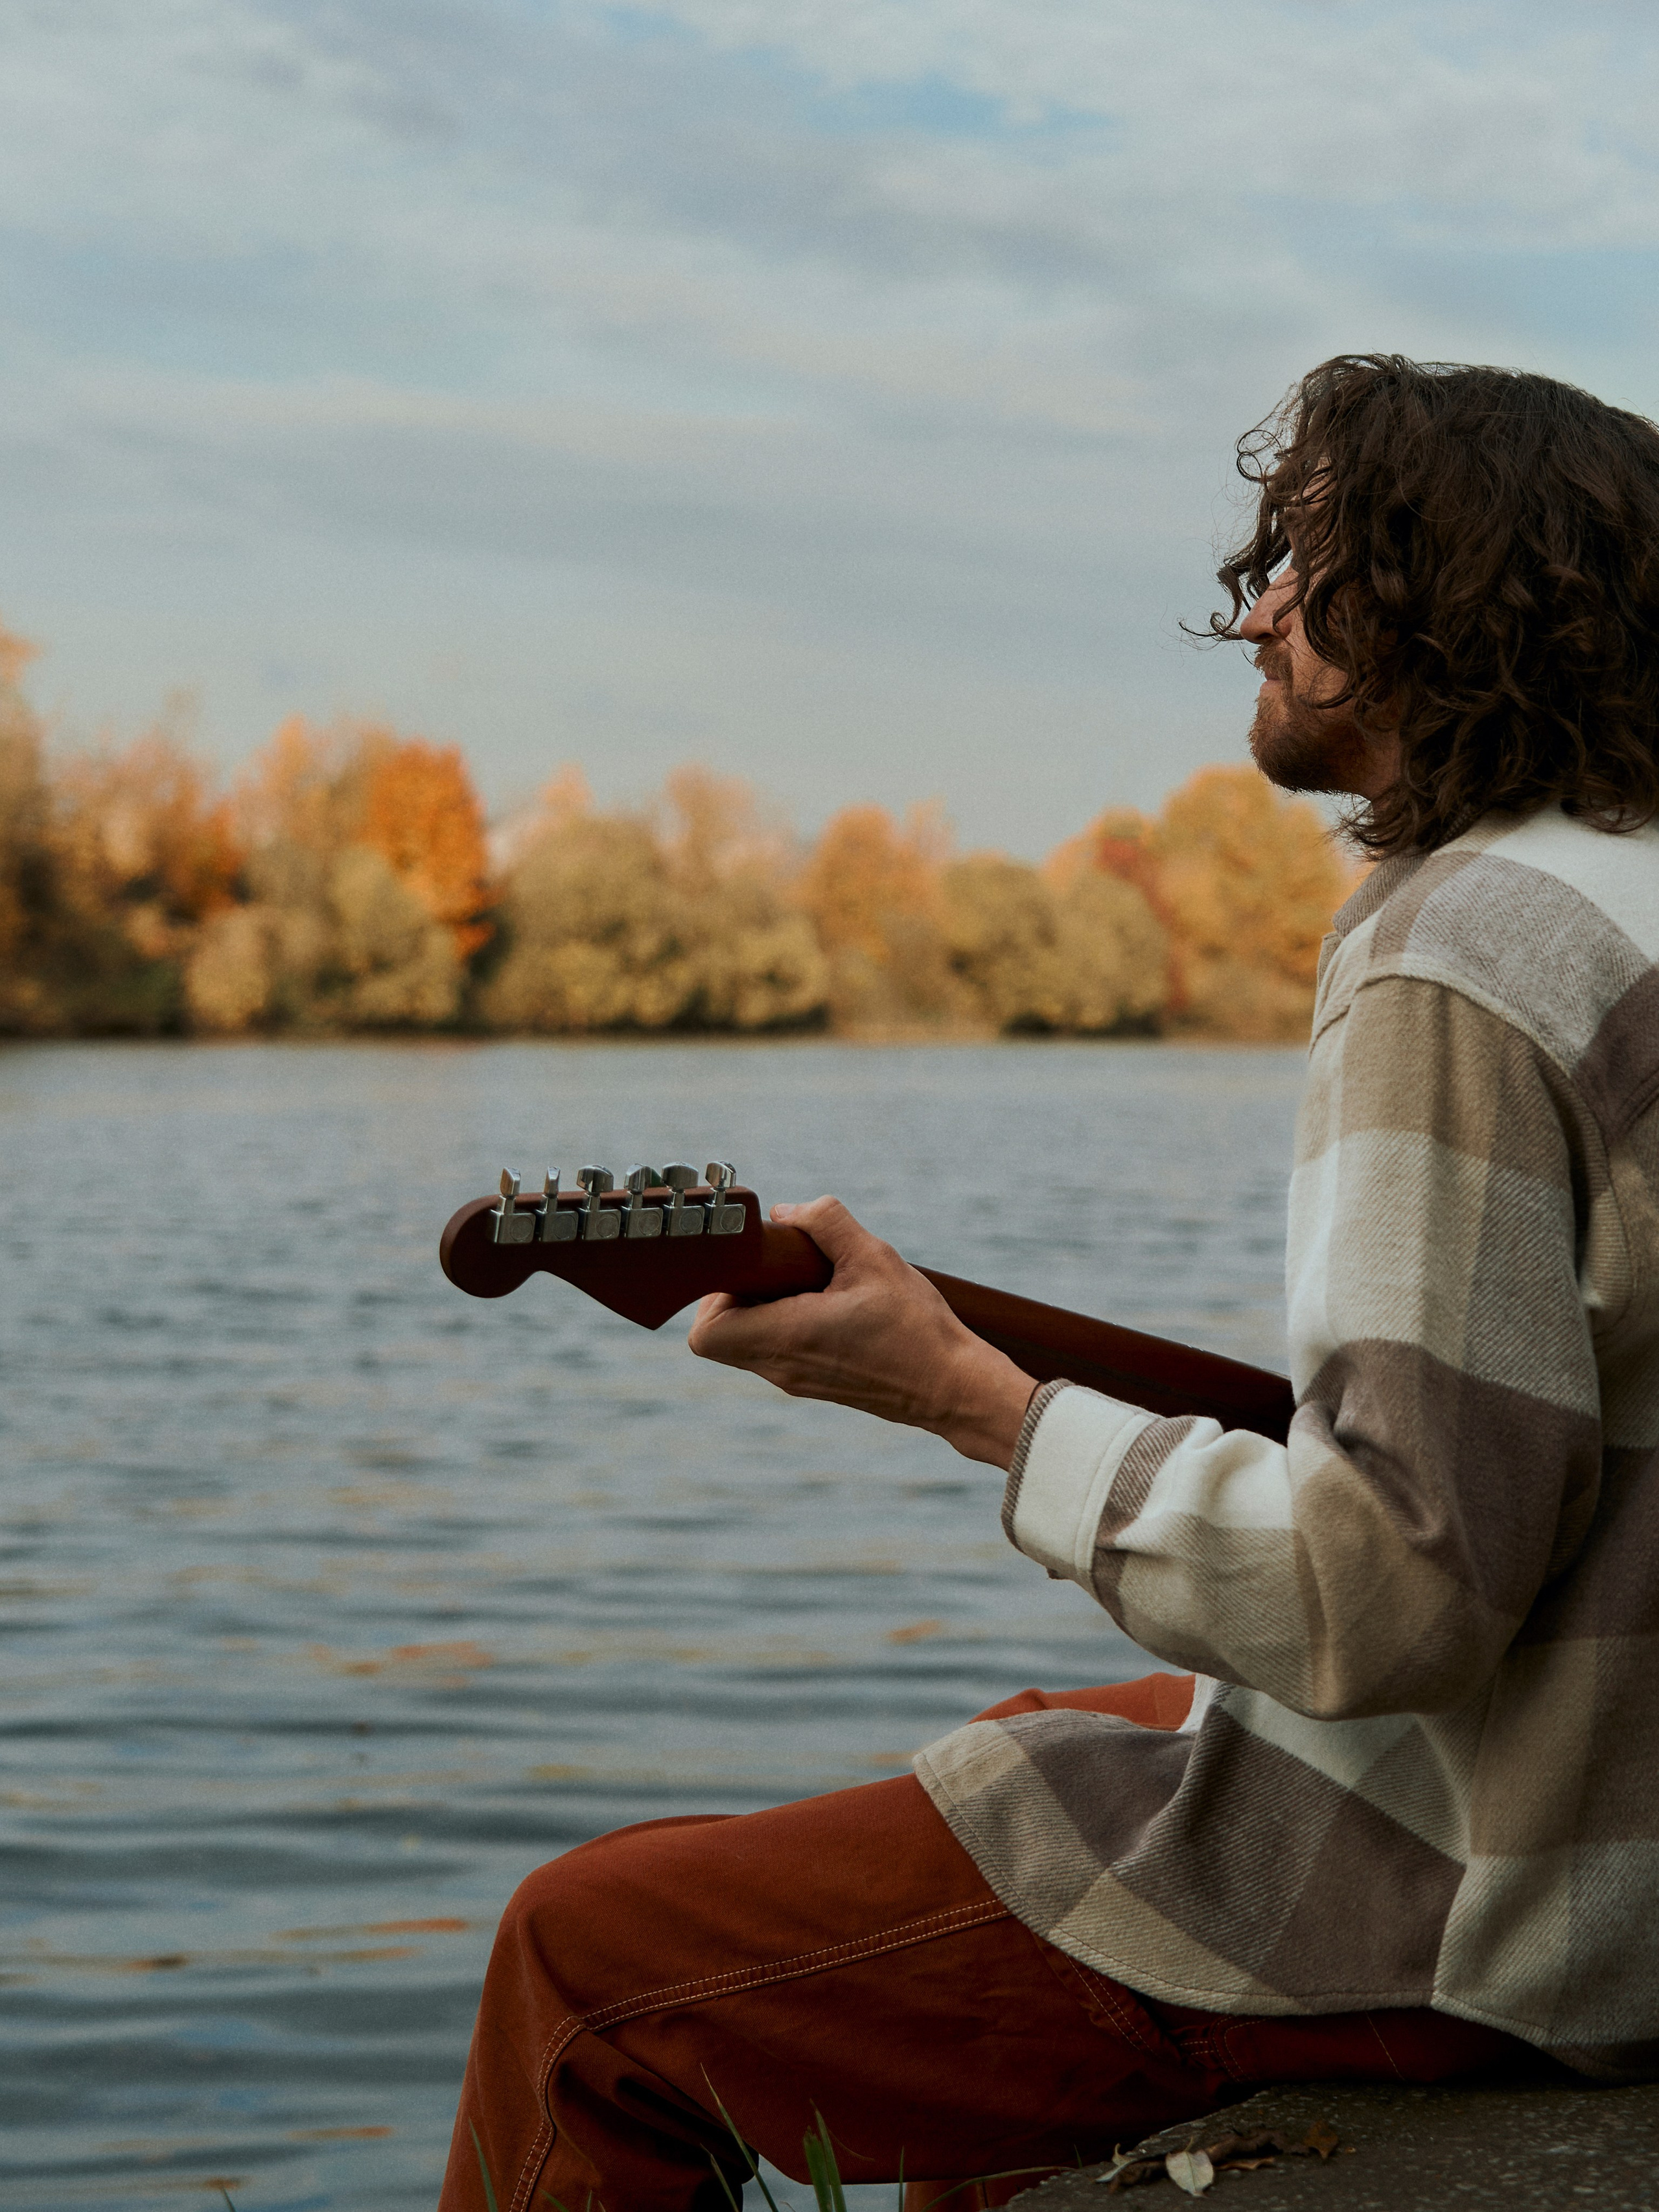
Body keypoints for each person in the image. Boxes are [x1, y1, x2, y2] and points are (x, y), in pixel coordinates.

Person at [440, 355, 1659, 2212]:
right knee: (1023, 1757)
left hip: (1531, 1911)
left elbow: (1397, 1594)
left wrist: (971, 1400)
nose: (1256, 610)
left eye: (1308, 563)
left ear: (1452, 596)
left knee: (584, 1960)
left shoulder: (1463, 951)